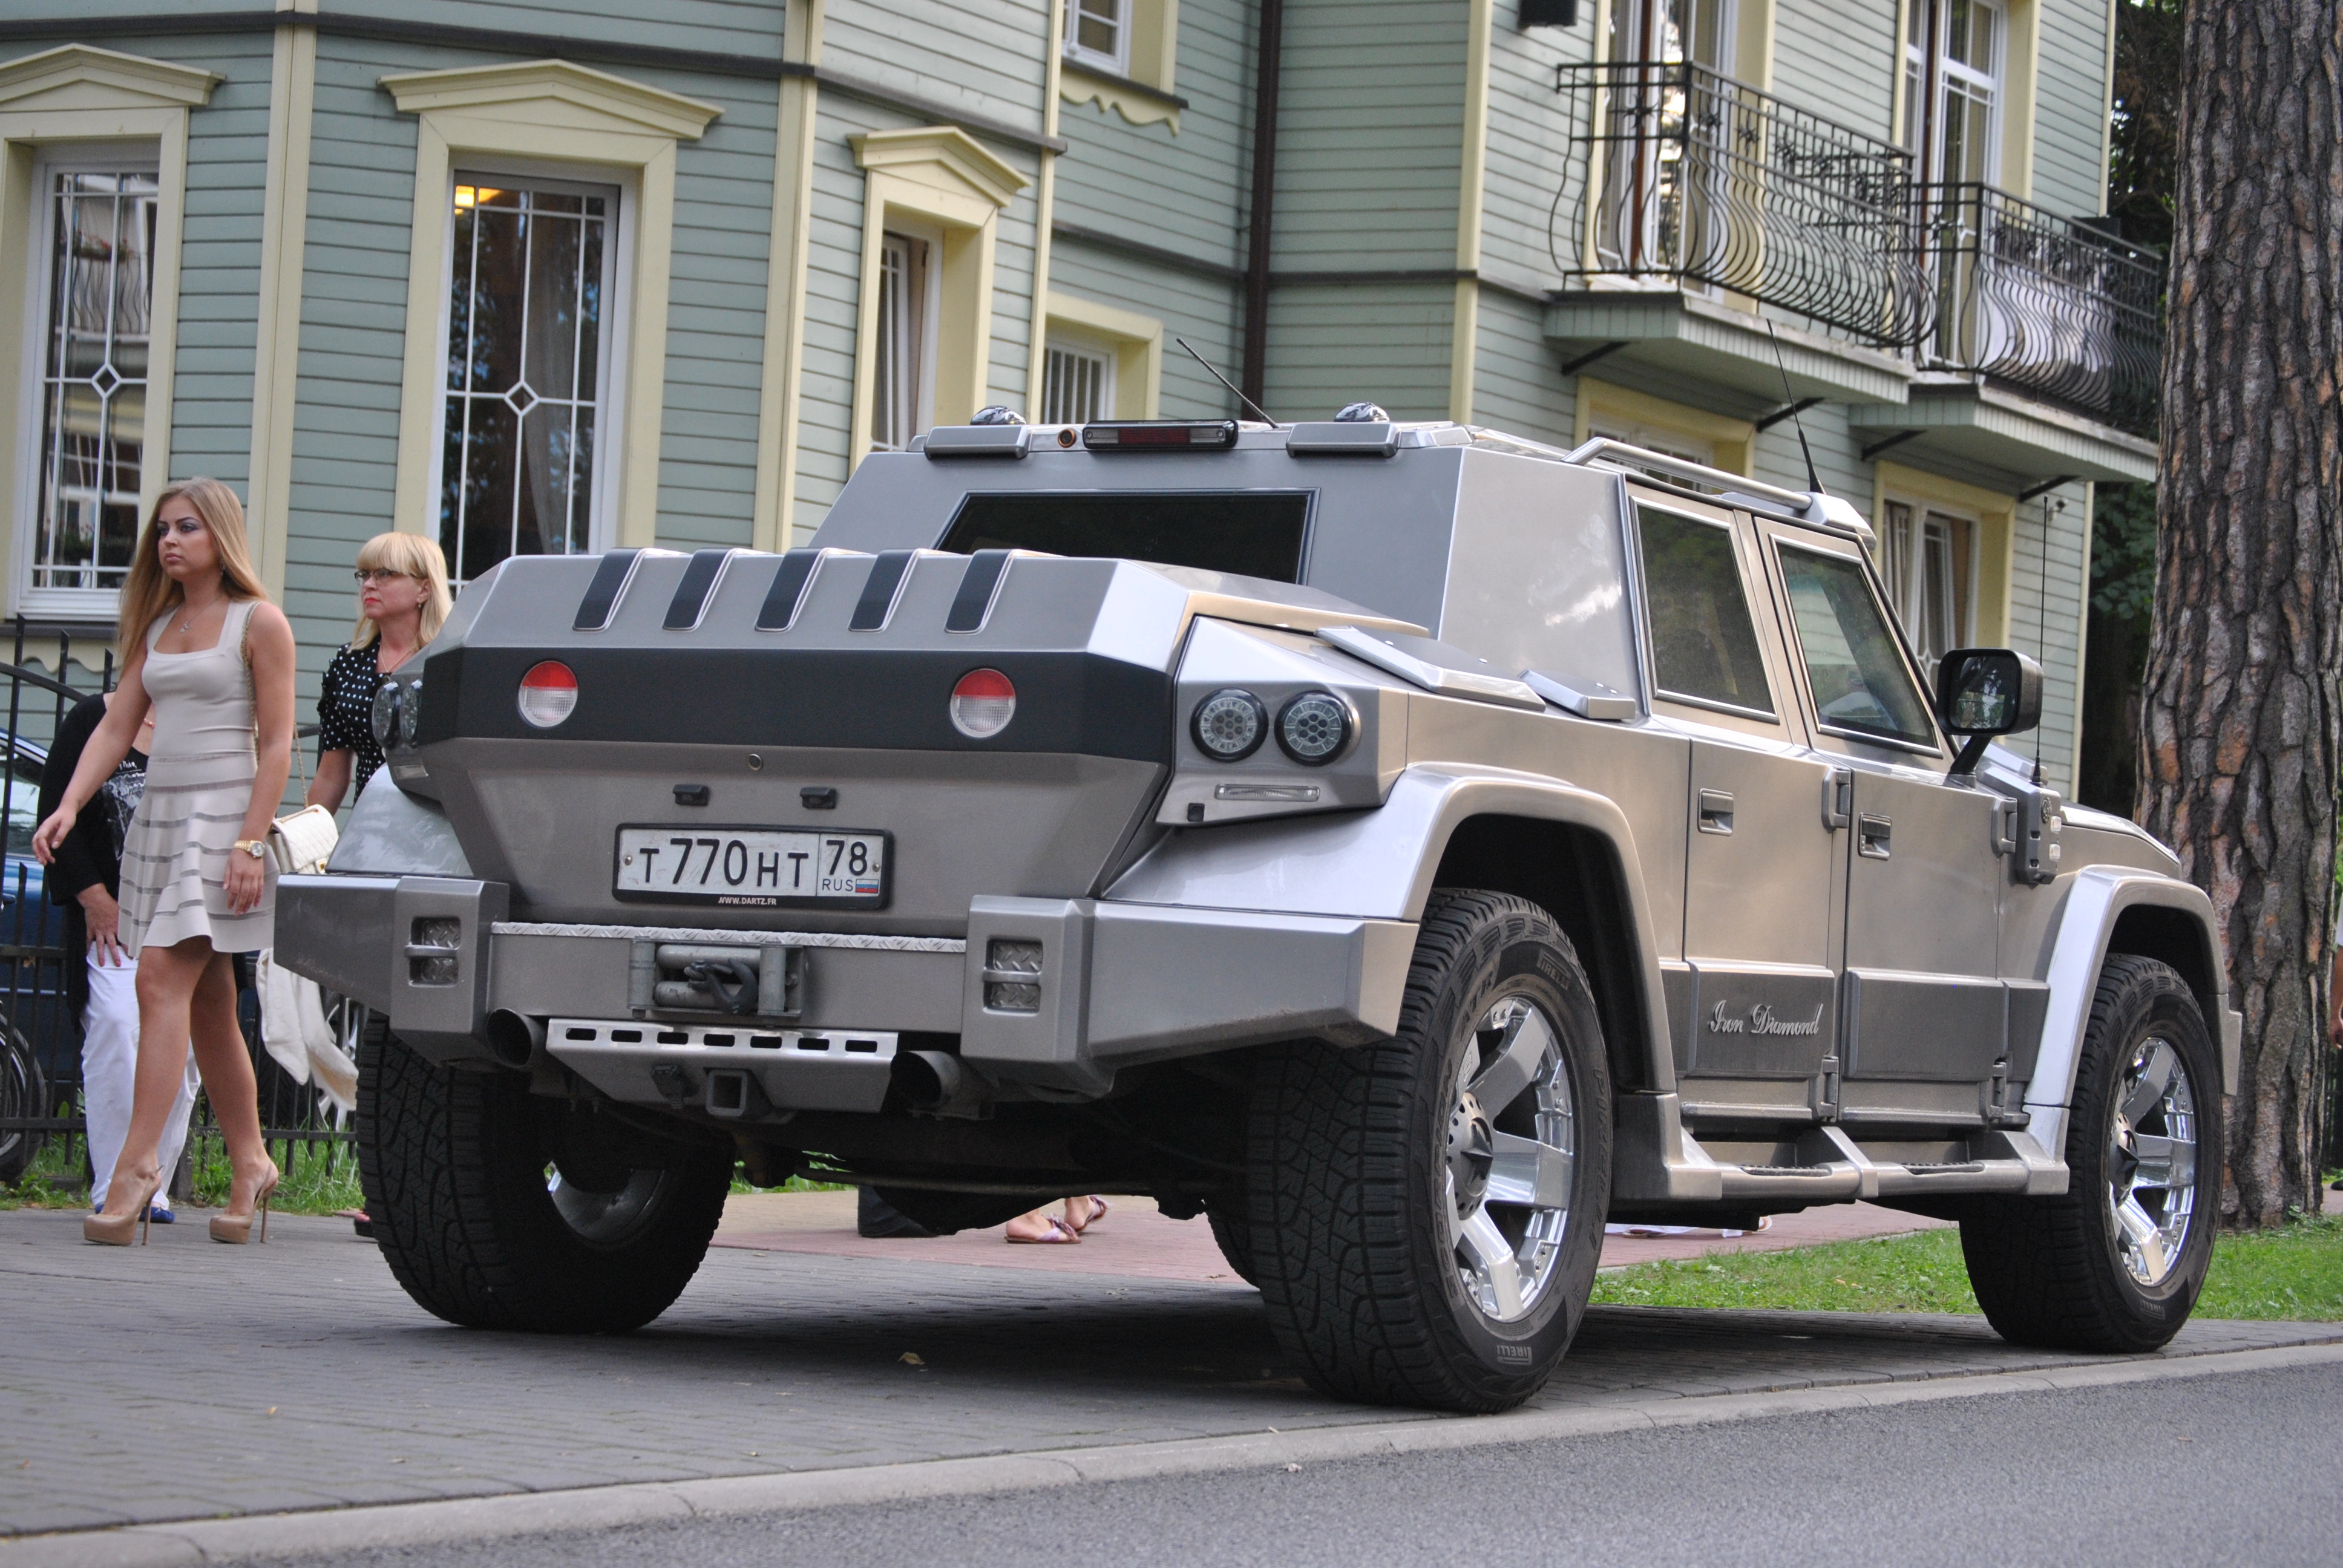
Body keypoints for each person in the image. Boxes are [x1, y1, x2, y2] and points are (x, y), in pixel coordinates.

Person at [32, 477, 298, 1247]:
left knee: (155, 979)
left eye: (186, 527)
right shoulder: (158, 625)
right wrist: (70, 805)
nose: (169, 541)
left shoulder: (259, 621)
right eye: (162, 530)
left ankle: (136, 1166)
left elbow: (278, 743)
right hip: (162, 820)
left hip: (222, 823)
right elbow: (115, 726)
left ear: (220, 535)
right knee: (210, 1001)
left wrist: (250, 842)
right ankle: (252, 1162)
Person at [37, 691, 200, 1222]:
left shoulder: (205, 719)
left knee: (187, 1051)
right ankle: (113, 1184)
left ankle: (153, 1185)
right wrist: (93, 898)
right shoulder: (93, 718)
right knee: (112, 1024)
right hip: (112, 921)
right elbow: (57, 812)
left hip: (185, 916)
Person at [307, 532, 451, 814]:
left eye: (385, 574)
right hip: (370, 823)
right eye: (365, 574)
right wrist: (304, 833)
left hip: (438, 822)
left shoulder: (447, 661)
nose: (369, 585)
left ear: (423, 589)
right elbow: (330, 775)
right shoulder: (349, 662)